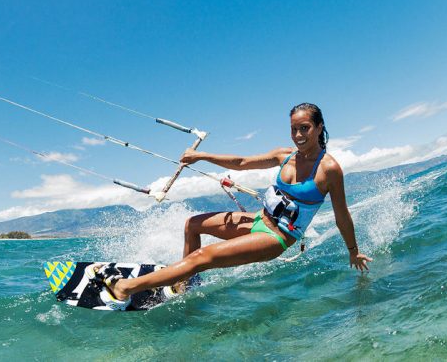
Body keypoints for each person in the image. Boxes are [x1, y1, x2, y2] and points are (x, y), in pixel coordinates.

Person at [87, 103, 373, 310]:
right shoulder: (285, 155)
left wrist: (353, 251)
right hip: (258, 220)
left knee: (203, 256)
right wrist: (201, 156)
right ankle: (184, 283)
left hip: (276, 238)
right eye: (294, 129)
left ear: (319, 127)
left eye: (305, 128)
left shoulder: (329, 169)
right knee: (193, 224)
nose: (298, 135)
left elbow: (342, 215)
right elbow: (242, 163)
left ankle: (124, 288)